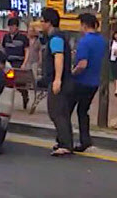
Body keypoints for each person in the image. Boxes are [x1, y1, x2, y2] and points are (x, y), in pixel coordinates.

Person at [70, 13, 106, 153]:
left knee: (67, 109)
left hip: (81, 81)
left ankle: (65, 139)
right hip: (94, 81)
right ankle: (85, 140)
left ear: (84, 25)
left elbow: (82, 64)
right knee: (83, 111)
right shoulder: (101, 41)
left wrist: (72, 73)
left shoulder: (85, 41)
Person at [40, 8, 73, 156]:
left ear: (49, 22)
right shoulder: (56, 37)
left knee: (57, 112)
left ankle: (65, 144)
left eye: (42, 21)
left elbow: (58, 57)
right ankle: (63, 141)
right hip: (62, 80)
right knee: (61, 112)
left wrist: (57, 79)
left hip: (59, 80)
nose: (41, 24)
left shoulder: (56, 38)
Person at [1, 18, 30, 109]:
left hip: (18, 62)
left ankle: (25, 97)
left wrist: (24, 63)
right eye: (9, 26)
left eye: (12, 26)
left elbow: (27, 51)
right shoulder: (6, 37)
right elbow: (2, 49)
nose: (10, 29)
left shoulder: (23, 38)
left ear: (16, 27)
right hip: (8, 62)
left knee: (20, 84)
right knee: (6, 82)